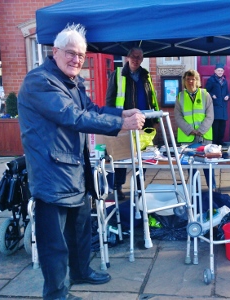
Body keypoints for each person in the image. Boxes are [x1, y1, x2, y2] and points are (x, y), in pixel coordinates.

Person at [17, 24, 145, 300]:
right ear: (55, 52)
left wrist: (122, 112)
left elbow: (91, 110)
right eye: (71, 53)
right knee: (55, 243)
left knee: (80, 230)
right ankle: (56, 294)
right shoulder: (40, 81)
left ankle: (81, 271)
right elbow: (72, 117)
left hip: (74, 169)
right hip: (51, 173)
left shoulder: (72, 82)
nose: (76, 59)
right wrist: (122, 125)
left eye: (81, 55)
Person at [105, 47, 160, 199]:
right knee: (122, 156)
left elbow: (152, 97)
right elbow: (109, 99)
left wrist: (154, 119)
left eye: (139, 57)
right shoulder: (117, 74)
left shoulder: (145, 75)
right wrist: (113, 120)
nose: (136, 59)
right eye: (134, 56)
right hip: (125, 123)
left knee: (143, 157)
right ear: (128, 57)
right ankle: (118, 187)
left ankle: (140, 188)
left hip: (144, 122)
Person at [174, 69, 216, 190]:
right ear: (184, 81)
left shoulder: (205, 95)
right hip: (187, 137)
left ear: (197, 81)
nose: (191, 81)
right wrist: (190, 130)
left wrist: (201, 130)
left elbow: (210, 115)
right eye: (188, 79)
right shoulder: (180, 96)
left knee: (208, 164)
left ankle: (212, 189)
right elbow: (178, 116)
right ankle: (194, 189)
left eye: (193, 79)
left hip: (204, 136)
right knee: (190, 166)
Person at [205, 63, 230, 146]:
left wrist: (228, 96)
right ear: (215, 71)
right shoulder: (211, 80)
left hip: (223, 107)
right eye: (218, 70)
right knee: (215, 126)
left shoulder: (225, 81)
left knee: (222, 126)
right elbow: (206, 91)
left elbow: (227, 92)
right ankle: (214, 142)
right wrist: (212, 95)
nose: (220, 72)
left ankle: (220, 141)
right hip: (215, 106)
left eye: (221, 70)